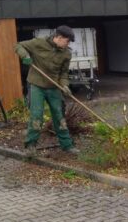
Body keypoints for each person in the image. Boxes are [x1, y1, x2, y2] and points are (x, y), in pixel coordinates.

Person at [14, 25, 79, 155]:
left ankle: (67, 145)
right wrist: (25, 56)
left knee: (59, 116)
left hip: (53, 87)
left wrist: (65, 85)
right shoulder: (39, 43)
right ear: (59, 37)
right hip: (36, 85)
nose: (68, 44)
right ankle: (30, 145)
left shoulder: (66, 53)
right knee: (36, 115)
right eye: (67, 41)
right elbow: (18, 45)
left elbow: (64, 73)